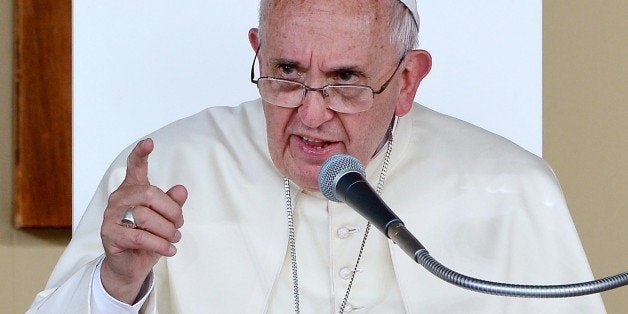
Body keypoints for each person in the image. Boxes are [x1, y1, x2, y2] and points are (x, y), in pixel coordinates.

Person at [29, 0, 606, 313]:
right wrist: (115, 285)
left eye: (347, 80)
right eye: (286, 74)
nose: (309, 115)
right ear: (257, 52)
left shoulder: (508, 187)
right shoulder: (169, 169)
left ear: (407, 80)